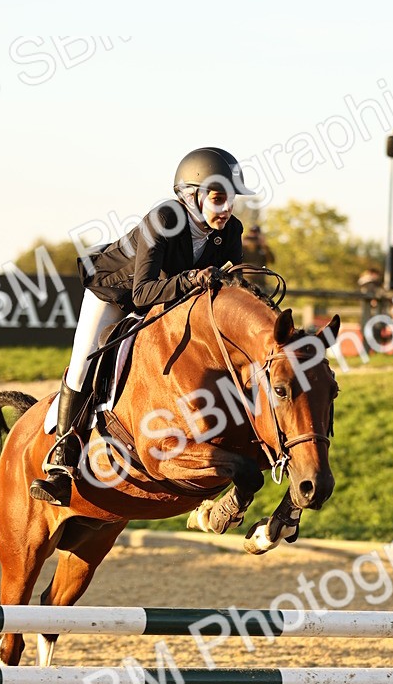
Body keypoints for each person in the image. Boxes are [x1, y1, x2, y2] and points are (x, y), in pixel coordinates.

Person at [30, 146, 256, 506]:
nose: (227, 208)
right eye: (218, 199)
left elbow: (229, 287)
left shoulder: (230, 230)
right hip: (116, 293)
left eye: (230, 200)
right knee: (84, 363)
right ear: (192, 196)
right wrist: (195, 279)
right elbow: (143, 291)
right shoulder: (164, 219)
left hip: (169, 300)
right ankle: (61, 459)